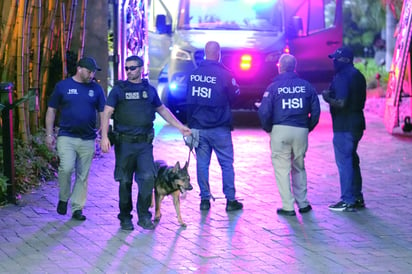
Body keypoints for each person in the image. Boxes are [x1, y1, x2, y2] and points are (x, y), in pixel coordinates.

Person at [100, 55, 191, 231]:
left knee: (148, 179)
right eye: (126, 68)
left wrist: (180, 127)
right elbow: (107, 112)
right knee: (125, 181)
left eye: (132, 68)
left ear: (141, 69)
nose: (128, 71)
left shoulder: (149, 90)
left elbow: (162, 110)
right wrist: (104, 136)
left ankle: (144, 216)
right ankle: (125, 217)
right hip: (124, 143)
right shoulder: (119, 90)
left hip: (144, 145)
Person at [257, 53, 320, 216]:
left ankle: (288, 206)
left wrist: (269, 129)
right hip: (301, 129)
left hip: (280, 129)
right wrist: (307, 128)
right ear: (295, 67)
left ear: (280, 67)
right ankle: (303, 203)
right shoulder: (306, 86)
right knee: (299, 166)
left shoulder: (273, 87)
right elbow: (316, 111)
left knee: (282, 168)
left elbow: (264, 112)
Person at [45, 56, 106, 221]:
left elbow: (103, 112)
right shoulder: (63, 86)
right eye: (89, 71)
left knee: (83, 174)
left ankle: (78, 208)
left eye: (93, 72)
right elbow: (51, 110)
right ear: (79, 69)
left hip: (88, 138)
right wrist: (49, 134)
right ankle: (64, 198)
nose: (92, 75)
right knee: (66, 168)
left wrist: (103, 134)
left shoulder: (96, 89)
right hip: (67, 136)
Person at [186, 41, 243, 212]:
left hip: (199, 127)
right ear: (218, 53)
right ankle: (230, 200)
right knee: (226, 164)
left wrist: (190, 125)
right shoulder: (225, 74)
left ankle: (204, 200)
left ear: (205, 53)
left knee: (202, 164)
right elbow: (236, 95)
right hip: (220, 127)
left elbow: (188, 101)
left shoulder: (194, 74)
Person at [322, 46, 367, 212]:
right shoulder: (358, 76)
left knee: (345, 162)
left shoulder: (342, 76)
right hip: (357, 123)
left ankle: (347, 199)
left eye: (336, 59)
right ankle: (356, 197)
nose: (334, 62)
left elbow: (341, 103)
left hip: (344, 125)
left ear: (346, 60)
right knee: (352, 160)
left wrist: (327, 98)